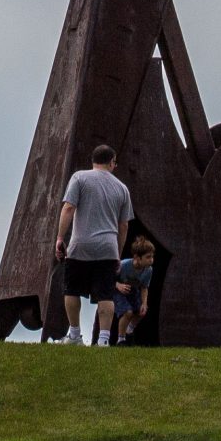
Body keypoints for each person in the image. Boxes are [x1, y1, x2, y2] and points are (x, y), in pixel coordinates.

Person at [55, 143, 133, 345]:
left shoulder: (80, 178)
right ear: (111, 162)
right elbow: (123, 225)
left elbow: (69, 208)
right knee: (105, 295)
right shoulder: (122, 188)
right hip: (107, 248)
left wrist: (60, 238)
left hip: (80, 245)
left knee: (72, 290)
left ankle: (74, 334)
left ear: (93, 161)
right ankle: (104, 340)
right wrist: (118, 252)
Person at [108, 230, 155, 346]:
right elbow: (108, 278)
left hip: (132, 290)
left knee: (141, 311)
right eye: (148, 257)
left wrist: (144, 303)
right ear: (137, 258)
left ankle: (129, 329)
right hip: (117, 290)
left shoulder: (149, 270)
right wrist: (118, 285)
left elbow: (144, 287)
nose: (151, 260)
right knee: (127, 312)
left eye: (152, 257)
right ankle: (121, 340)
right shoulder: (123, 265)